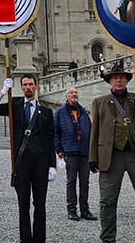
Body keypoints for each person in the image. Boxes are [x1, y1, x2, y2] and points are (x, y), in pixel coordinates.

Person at [88, 63, 135, 243]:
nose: (118, 80)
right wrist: (92, 157)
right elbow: (94, 131)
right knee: (107, 201)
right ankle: (108, 239)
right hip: (111, 157)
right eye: (115, 77)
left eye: (122, 77)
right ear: (110, 81)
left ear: (127, 80)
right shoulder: (100, 102)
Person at [0, 74, 55, 243]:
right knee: (23, 205)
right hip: (21, 162)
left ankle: (39, 239)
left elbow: (49, 140)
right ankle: (25, 239)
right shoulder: (14, 105)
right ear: (21, 87)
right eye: (25, 85)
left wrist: (52, 165)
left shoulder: (46, 112)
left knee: (40, 205)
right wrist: (3, 91)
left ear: (36, 87)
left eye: (31, 84)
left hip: (40, 162)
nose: (28, 87)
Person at [53, 87, 96, 221]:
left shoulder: (83, 112)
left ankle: (85, 210)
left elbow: (90, 131)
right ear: (67, 96)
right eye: (71, 93)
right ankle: (71, 209)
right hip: (70, 150)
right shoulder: (60, 112)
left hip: (84, 151)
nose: (74, 95)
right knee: (71, 181)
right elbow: (56, 132)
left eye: (76, 93)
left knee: (85, 181)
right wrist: (59, 149)